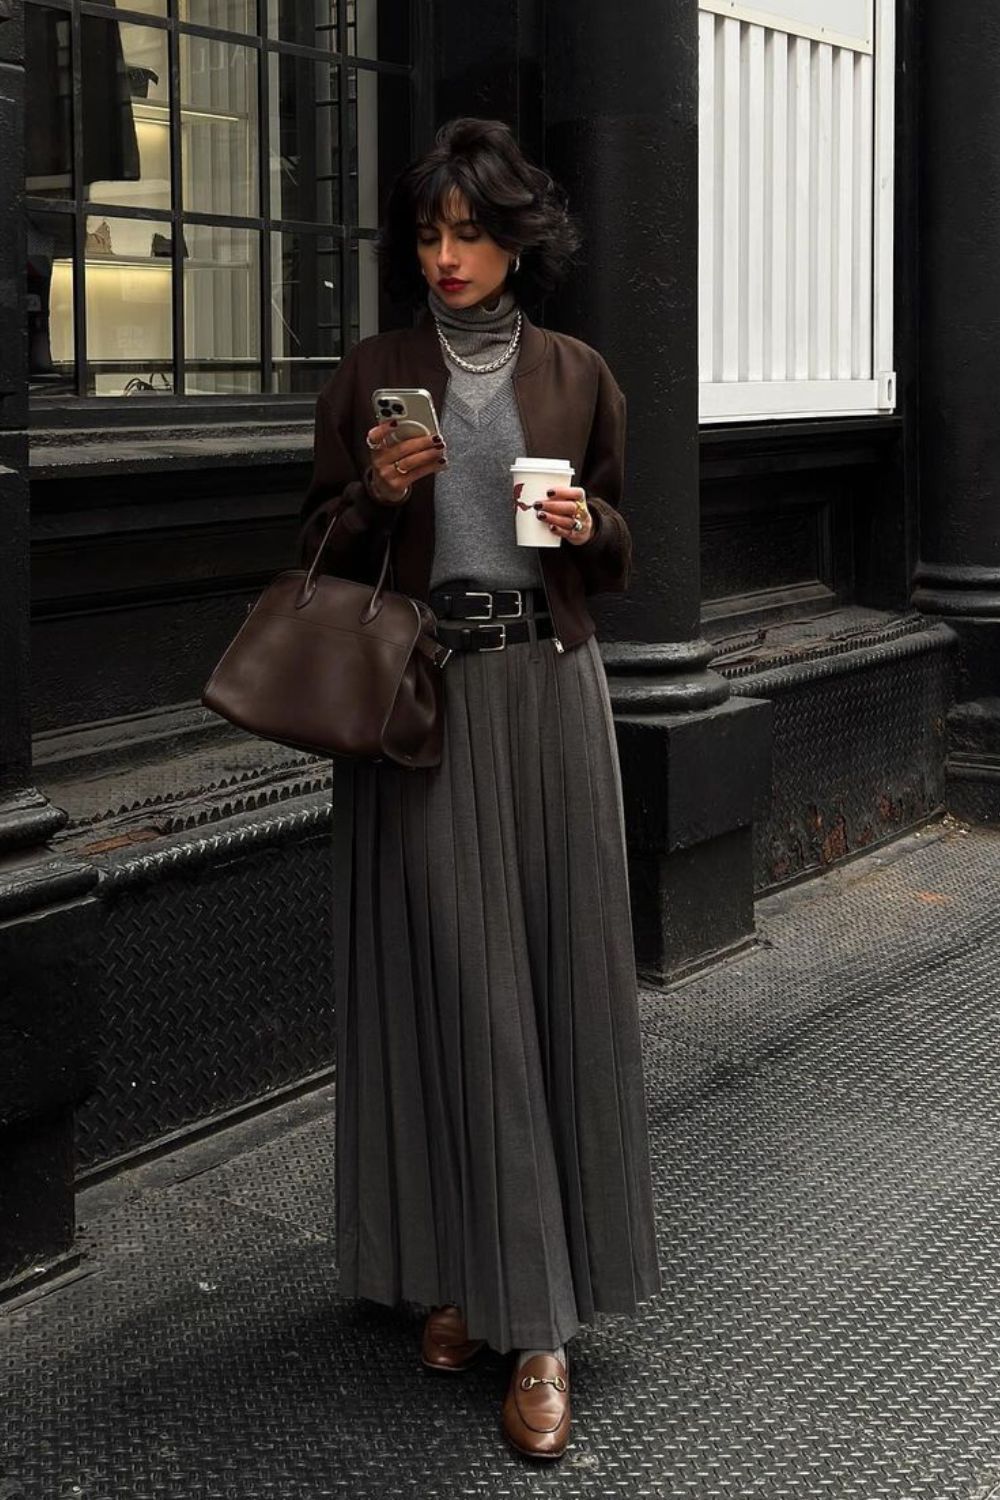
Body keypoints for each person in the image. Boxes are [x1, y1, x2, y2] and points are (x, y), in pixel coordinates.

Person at [297, 116, 661, 1462]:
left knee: (554, 982)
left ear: (517, 239)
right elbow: (319, 546)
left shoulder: (578, 373)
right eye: (429, 233)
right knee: (450, 987)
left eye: (470, 232)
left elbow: (619, 550)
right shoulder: (373, 373)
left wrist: (586, 525)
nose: (446, 256)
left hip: (549, 699)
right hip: (425, 699)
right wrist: (374, 496)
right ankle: (459, 1269)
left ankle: (541, 1323)